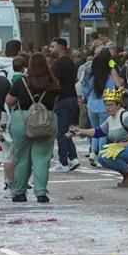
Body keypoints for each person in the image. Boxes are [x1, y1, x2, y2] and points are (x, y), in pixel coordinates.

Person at [68, 88, 128, 188]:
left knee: (105, 156)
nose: (108, 108)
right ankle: (127, 175)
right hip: (125, 148)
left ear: (119, 105)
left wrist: (127, 144)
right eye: (106, 105)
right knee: (101, 157)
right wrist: (81, 131)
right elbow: (98, 131)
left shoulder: (126, 115)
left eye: (111, 105)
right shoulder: (111, 118)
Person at [10, 53, 59, 204]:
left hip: (22, 120)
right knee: (42, 158)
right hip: (46, 119)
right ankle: (41, 193)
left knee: (21, 157)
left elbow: (9, 100)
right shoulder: (53, 83)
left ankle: (19, 192)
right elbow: (57, 99)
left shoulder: (21, 82)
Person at [48, 38, 80, 170]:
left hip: (62, 101)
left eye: (52, 46)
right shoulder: (71, 63)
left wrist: (51, 100)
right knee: (66, 131)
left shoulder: (59, 64)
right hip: (72, 98)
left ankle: (63, 163)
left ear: (61, 47)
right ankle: (73, 158)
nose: (50, 49)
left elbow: (55, 84)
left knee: (60, 132)